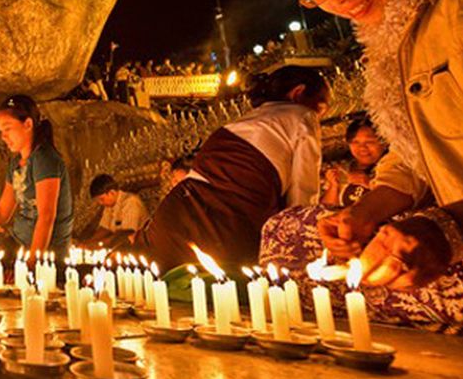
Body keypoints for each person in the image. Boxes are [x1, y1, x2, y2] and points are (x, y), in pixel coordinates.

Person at [260, 0, 463, 334]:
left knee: (307, 295)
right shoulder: (396, 37)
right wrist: (362, 216)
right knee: (286, 234)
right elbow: (413, 154)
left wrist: (450, 229)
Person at [138, 66, 328, 272]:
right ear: (298, 93)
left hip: (173, 216)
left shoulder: (247, 120)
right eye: (321, 108)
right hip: (224, 228)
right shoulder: (303, 115)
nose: (320, 116)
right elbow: (303, 194)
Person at [0, 95, 73, 266]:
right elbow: (2, 214)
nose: (3, 136)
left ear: (28, 124)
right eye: (1, 131)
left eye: (8, 128)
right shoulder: (16, 163)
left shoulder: (44, 159)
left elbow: (46, 216)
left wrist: (33, 263)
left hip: (47, 253)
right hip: (19, 244)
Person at [320, 116, 387, 208]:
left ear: (383, 143)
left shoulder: (391, 168)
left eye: (369, 142)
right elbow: (326, 208)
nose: (362, 148)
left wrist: (370, 184)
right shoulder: (342, 170)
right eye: (355, 142)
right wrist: (333, 186)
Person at [81, 174, 149, 249]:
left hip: (137, 247)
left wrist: (98, 244)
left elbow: (125, 233)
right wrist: (88, 243)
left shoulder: (130, 202)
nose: (100, 203)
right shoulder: (109, 205)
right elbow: (104, 228)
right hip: (119, 246)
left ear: (112, 193)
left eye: (102, 199)